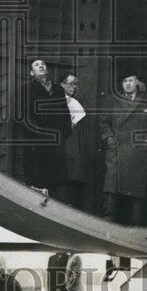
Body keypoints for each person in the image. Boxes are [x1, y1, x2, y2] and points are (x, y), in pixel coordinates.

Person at [100, 73, 147, 225]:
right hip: (117, 149)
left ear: (137, 82)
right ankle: (108, 221)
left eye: (131, 80)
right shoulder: (112, 99)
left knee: (136, 190)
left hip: (138, 151)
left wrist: (146, 142)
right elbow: (104, 122)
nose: (128, 84)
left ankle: (136, 226)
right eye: (125, 81)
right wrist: (110, 138)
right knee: (111, 186)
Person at [20, 59, 72, 197]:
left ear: (47, 70)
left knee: (53, 180)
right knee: (37, 180)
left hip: (55, 140)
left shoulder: (57, 89)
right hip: (36, 140)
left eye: (43, 64)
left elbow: (65, 113)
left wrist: (64, 133)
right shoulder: (26, 89)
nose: (41, 66)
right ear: (32, 72)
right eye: (37, 65)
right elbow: (22, 114)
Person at [59, 72, 87, 209]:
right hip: (60, 143)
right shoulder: (57, 100)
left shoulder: (74, 103)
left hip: (71, 144)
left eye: (75, 84)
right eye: (71, 84)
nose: (74, 87)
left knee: (71, 175)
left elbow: (72, 126)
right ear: (62, 84)